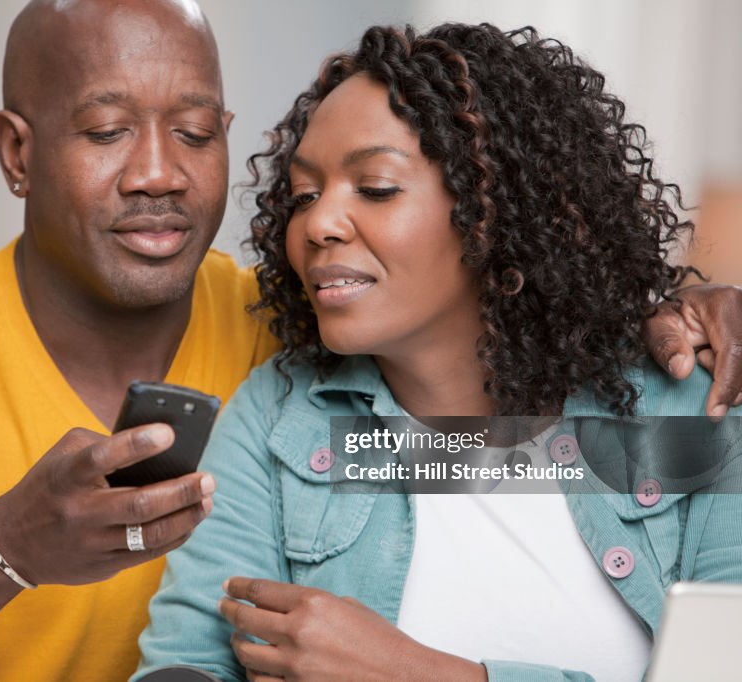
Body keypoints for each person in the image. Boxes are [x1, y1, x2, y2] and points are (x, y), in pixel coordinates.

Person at [0, 3, 738, 680]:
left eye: (197, 132)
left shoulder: (309, 328)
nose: (158, 171)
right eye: (106, 129)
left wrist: (668, 316)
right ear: (16, 153)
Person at [135, 23, 742, 682]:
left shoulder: (690, 413)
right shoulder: (280, 421)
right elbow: (187, 662)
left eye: (376, 187)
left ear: (494, 210)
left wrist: (418, 674)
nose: (318, 224)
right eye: (304, 195)